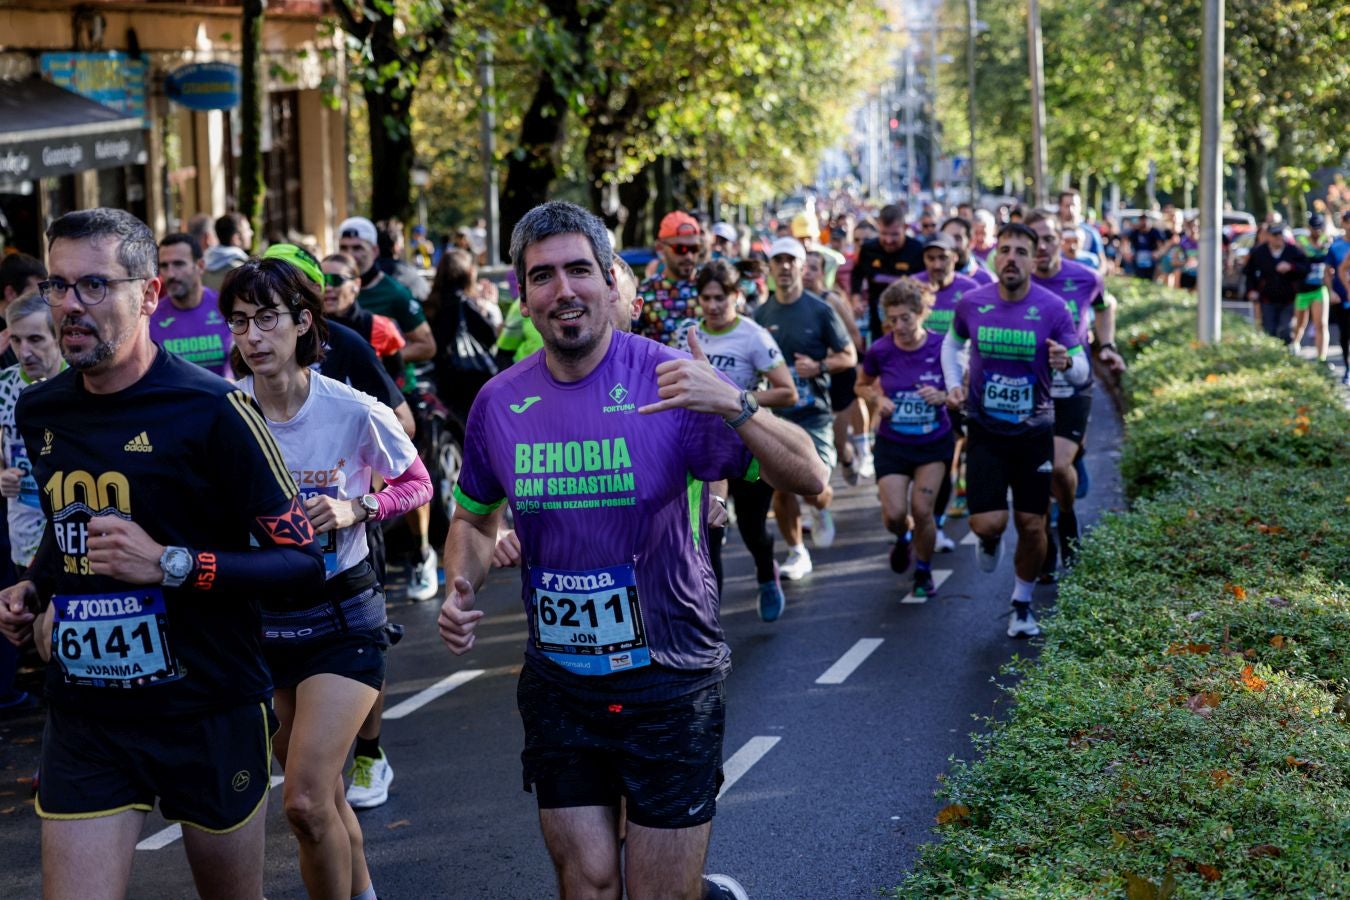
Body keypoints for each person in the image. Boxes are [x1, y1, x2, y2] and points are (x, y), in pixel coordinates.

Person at [438, 201, 825, 900]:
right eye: (543, 276)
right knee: (587, 882)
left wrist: (734, 403)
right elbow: (472, 518)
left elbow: (811, 475)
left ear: (610, 279)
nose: (564, 291)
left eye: (579, 270)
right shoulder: (498, 403)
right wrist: (459, 585)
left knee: (656, 895)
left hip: (671, 677)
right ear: (522, 296)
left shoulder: (671, 379)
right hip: (560, 681)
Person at [0, 207, 325, 900]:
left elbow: (302, 562)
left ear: (147, 295)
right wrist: (35, 587)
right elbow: (70, 532)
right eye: (59, 286)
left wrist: (172, 564)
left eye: (94, 286)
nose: (70, 306)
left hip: (206, 706)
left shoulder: (215, 410)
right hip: (89, 714)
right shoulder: (41, 411)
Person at [223, 248, 431, 900]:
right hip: (262, 620)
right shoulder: (222, 412)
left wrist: (357, 506)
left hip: (343, 617)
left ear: (304, 321)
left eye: (265, 319)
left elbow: (417, 483)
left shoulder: (352, 410)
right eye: (237, 322)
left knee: (305, 803)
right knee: (326, 803)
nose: (251, 336)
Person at [942, 222, 1088, 638]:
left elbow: (1082, 371)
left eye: (1020, 251)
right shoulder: (972, 303)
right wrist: (954, 383)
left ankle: (1021, 604)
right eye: (1004, 250)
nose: (1011, 258)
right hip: (985, 430)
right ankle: (989, 540)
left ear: (1033, 258)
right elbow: (951, 345)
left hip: (1034, 431)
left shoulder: (1053, 308)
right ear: (994, 256)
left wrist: (1066, 362)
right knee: (987, 525)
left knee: (1032, 524)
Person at [338, 216, 440, 602]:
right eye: (345, 249)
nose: (351, 254)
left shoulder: (394, 294)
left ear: (374, 253)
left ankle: (422, 552)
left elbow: (426, 344)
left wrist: (379, 355)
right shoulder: (324, 299)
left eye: (358, 249)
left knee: (403, 474)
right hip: (346, 404)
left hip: (393, 395)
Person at [691, 259, 798, 620]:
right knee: (711, 531)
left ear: (737, 295)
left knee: (753, 526)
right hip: (706, 453)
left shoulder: (753, 336)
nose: (713, 305)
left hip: (748, 451)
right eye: (706, 298)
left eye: (720, 297)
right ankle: (710, 622)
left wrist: (739, 398)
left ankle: (767, 575)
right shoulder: (689, 335)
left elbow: (787, 393)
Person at [1024, 211, 1125, 574]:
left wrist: (1108, 344)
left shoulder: (1085, 277)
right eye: (1035, 240)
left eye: (1050, 238)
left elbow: (1104, 306)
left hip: (1073, 381)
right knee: (1038, 468)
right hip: (1028, 385)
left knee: (1058, 464)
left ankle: (1065, 518)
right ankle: (1046, 535)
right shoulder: (1015, 283)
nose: (1044, 246)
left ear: (1060, 240)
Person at [755, 237, 856, 580]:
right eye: (777, 261)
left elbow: (849, 356)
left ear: (802, 266)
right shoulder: (761, 314)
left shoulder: (820, 309)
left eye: (790, 261)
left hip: (814, 415)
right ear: (770, 269)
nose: (783, 267)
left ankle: (820, 509)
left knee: (815, 489)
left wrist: (819, 366)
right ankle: (797, 552)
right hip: (777, 416)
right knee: (781, 485)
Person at [855, 279, 953, 599]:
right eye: (892, 319)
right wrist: (876, 399)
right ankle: (903, 538)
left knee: (922, 509)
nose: (898, 326)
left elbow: (962, 388)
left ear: (922, 313)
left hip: (932, 441)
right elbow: (862, 384)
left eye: (905, 318)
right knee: (896, 515)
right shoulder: (881, 349)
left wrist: (942, 396)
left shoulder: (942, 347)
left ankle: (923, 571)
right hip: (893, 442)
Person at [0, 291, 63, 716]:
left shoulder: (75, 387)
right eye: (18, 341)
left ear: (58, 337)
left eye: (37, 340)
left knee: (53, 635)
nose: (26, 351)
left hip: (71, 535)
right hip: (23, 534)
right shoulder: (4, 389)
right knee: (41, 641)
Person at [804, 249, 870, 486]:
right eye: (805, 266)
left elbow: (853, 334)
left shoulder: (831, 300)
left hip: (838, 374)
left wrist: (831, 356)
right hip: (808, 379)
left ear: (823, 273)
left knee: (840, 443)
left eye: (813, 268)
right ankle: (818, 500)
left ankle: (850, 455)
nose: (807, 273)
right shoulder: (791, 302)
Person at [153, 233, 234, 377]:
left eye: (179, 264)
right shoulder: (150, 318)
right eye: (164, 266)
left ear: (200, 266)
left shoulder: (226, 308)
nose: (170, 274)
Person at [850, 204, 926, 344]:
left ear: (905, 228)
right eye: (884, 234)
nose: (888, 240)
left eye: (894, 234)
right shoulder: (868, 249)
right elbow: (857, 274)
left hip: (909, 322)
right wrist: (856, 299)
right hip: (877, 322)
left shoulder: (917, 250)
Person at [636, 211, 704, 346]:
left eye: (694, 248)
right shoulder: (646, 291)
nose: (689, 256)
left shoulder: (711, 285)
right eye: (681, 249)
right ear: (660, 248)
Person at [1243, 221, 1310, 346]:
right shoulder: (1259, 253)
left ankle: (1285, 357)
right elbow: (1249, 273)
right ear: (1268, 236)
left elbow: (1306, 268)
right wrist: (1251, 290)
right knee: (1269, 331)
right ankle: (1272, 357)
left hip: (1288, 299)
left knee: (1286, 330)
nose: (1279, 237)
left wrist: (1291, 267)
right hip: (1267, 299)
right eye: (1275, 235)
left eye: (1281, 234)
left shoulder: (1293, 251)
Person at [1292, 213, 1332, 362]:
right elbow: (1300, 259)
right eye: (1315, 228)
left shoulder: (1327, 241)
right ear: (1309, 228)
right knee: (1300, 323)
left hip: (1319, 289)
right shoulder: (1301, 241)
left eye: (1320, 228)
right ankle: (1295, 345)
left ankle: (1322, 358)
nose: (1318, 231)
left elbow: (1327, 260)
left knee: (1321, 324)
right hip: (1302, 290)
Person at [1326, 210, 1350, 382]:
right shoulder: (1336, 246)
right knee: (1345, 333)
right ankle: (1347, 368)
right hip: (1342, 298)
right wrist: (1332, 291)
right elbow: (1337, 270)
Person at [203, 211, 253, 291]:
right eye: (247, 229)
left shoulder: (203, 267)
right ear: (236, 238)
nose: (251, 233)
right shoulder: (243, 271)